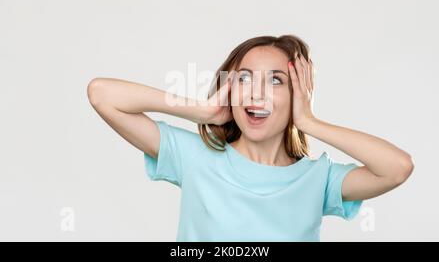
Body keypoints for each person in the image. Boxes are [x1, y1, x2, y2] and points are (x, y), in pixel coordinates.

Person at [87, 34, 414, 241]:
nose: (256, 93)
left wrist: (309, 122)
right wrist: (202, 112)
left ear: (297, 95)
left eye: (275, 81)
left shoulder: (319, 179)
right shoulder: (196, 157)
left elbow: (397, 167)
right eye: (244, 79)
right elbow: (102, 94)